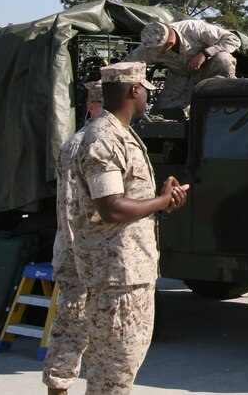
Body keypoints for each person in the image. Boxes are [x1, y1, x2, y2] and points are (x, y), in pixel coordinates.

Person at [68, 62, 188, 395]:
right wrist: (161, 202)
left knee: (120, 366)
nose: (149, 94)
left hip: (129, 271)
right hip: (116, 275)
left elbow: (124, 201)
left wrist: (163, 199)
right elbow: (111, 207)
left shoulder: (121, 133)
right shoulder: (103, 138)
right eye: (146, 88)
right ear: (134, 90)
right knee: (113, 371)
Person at [42, 81, 102, 394]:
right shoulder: (80, 144)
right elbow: (67, 207)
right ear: (91, 106)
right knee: (71, 329)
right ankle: (59, 387)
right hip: (79, 256)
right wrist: (79, 258)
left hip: (98, 259)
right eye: (101, 103)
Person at [126, 20, 240, 112]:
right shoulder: (149, 46)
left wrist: (204, 54)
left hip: (208, 71)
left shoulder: (195, 29)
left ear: (170, 44)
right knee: (161, 112)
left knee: (224, 59)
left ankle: (225, 100)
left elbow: (233, 40)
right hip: (180, 77)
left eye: (159, 50)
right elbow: (127, 65)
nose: (156, 53)